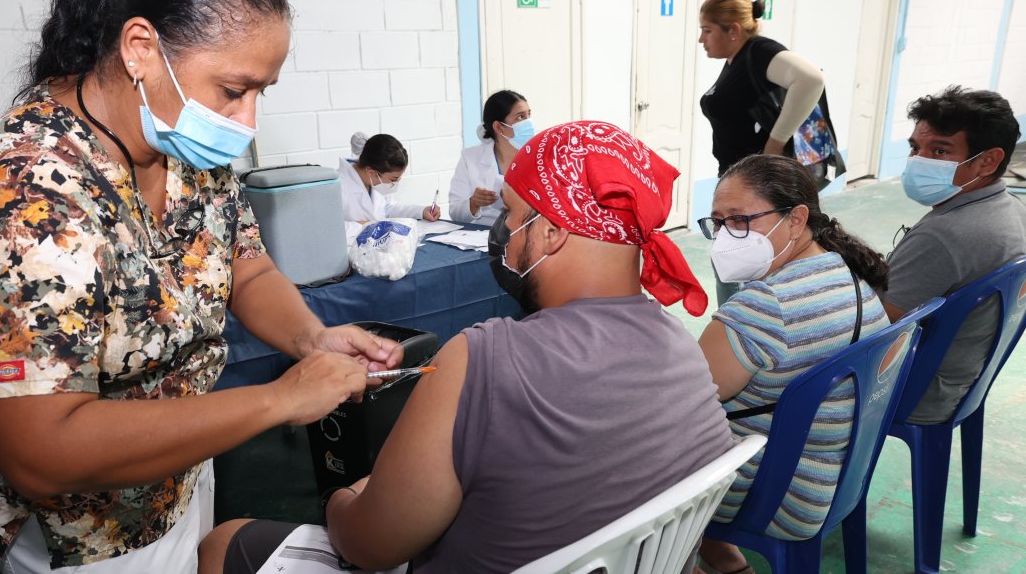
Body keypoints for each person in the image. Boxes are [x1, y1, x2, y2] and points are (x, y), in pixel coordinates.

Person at [0, 0, 401, 574]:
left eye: (260, 92)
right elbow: (42, 450)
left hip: (179, 475)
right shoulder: (18, 190)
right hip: (80, 538)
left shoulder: (182, 144)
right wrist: (279, 399)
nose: (247, 121)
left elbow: (245, 267)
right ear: (141, 48)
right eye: (233, 90)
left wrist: (312, 338)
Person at [200, 121, 731, 574]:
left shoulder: (484, 358)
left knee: (224, 542)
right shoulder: (685, 349)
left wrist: (341, 497)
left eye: (513, 214)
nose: (504, 232)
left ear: (550, 232)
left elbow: (369, 546)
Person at [693, 154, 891, 574]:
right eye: (718, 222)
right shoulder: (850, 276)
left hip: (775, 490)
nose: (725, 237)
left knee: (629, 454)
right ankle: (721, 556)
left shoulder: (765, 306)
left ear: (796, 220)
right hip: (834, 475)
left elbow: (684, 403)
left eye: (740, 220)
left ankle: (694, 557)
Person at [882, 86, 1026, 424]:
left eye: (940, 150)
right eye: (915, 148)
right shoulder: (1013, 208)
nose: (919, 161)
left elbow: (876, 324)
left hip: (917, 390)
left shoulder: (944, 235)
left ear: (988, 161)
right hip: (967, 378)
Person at [698, 0, 826, 306]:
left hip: (759, 188)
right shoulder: (735, 60)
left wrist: (775, 143)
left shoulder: (758, 52)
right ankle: (738, 320)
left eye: (707, 30)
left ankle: (746, 322)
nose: (702, 39)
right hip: (738, 180)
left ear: (734, 30)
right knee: (730, 264)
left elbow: (810, 79)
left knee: (744, 262)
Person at [447, 89, 532, 226]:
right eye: (520, 117)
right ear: (498, 127)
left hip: (527, 233)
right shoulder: (470, 157)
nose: (529, 123)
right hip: (483, 233)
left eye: (529, 115)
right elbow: (455, 213)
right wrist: (473, 203)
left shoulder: (540, 157)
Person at [338, 132, 439, 223]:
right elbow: (332, 227)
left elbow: (388, 209)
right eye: (393, 179)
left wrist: (421, 211)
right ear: (372, 173)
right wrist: (363, 225)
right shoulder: (338, 188)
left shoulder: (375, 181)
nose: (395, 183)